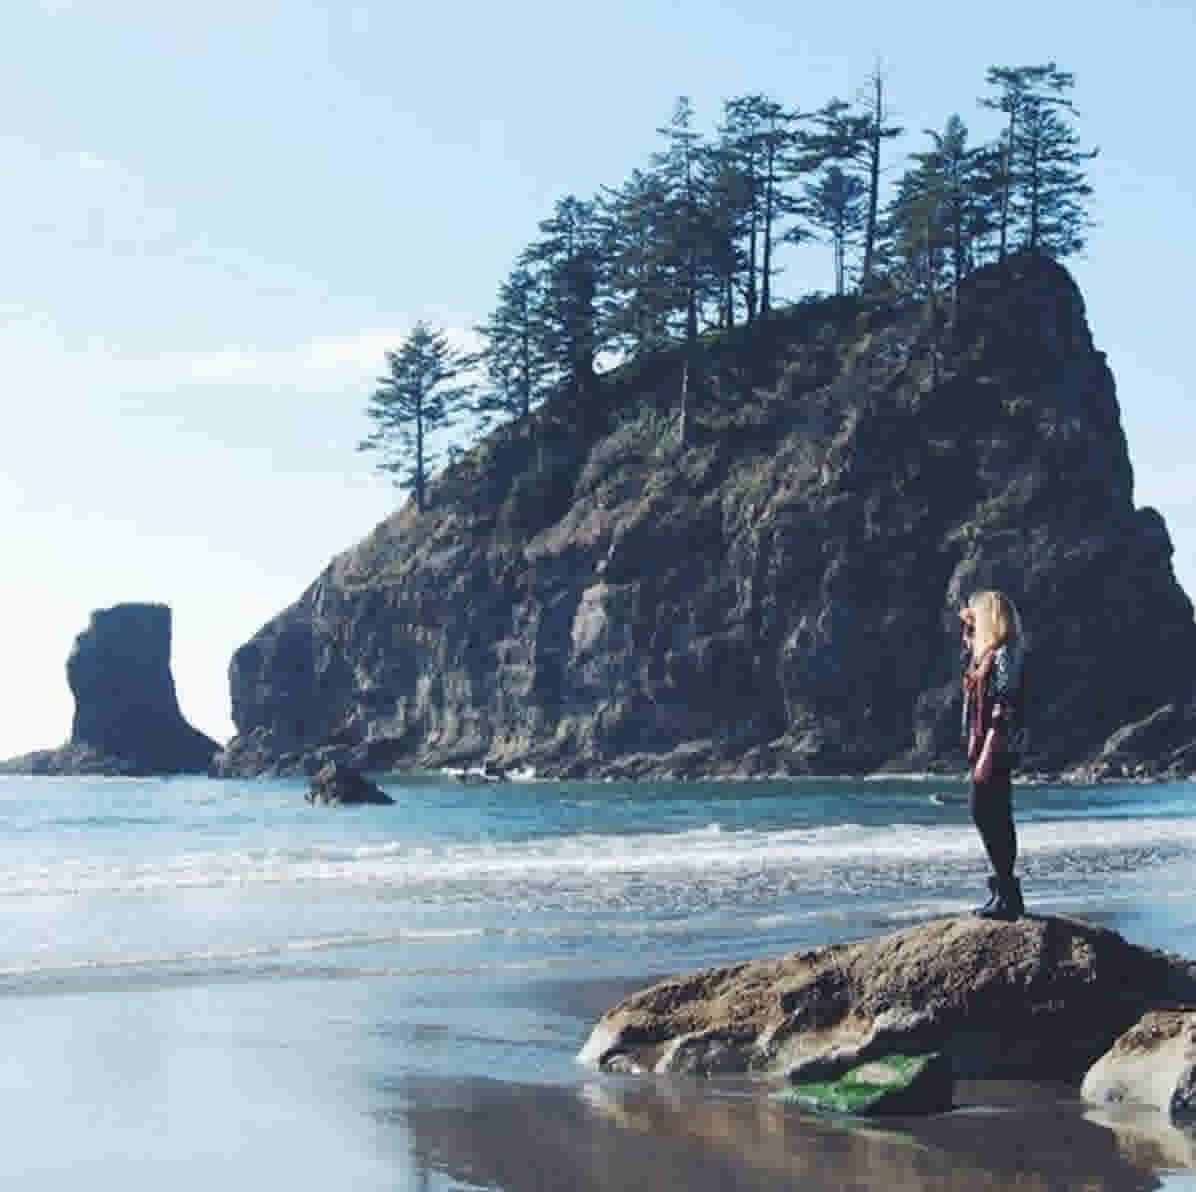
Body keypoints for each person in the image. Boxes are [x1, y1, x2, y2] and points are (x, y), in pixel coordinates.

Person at [959, 590, 1027, 920]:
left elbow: (1003, 705)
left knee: (988, 813)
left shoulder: (1003, 656)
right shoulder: (987, 655)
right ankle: (1002, 893)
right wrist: (971, 635)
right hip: (988, 745)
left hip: (996, 747)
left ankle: (1007, 896)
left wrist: (987, 749)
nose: (967, 632)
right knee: (991, 813)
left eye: (973, 622)